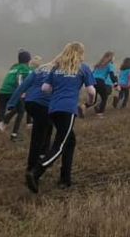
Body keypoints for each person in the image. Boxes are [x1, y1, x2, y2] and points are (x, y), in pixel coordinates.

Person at [25, 42, 96, 193]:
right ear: (80, 53)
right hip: (68, 109)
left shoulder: (56, 67)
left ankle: (65, 179)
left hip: (53, 109)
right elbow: (91, 91)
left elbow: (45, 88)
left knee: (70, 141)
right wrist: (89, 103)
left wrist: (58, 91)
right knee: (60, 144)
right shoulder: (83, 68)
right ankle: (36, 172)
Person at [6, 60, 53, 172]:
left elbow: (22, 86)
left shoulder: (37, 71)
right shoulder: (56, 71)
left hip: (30, 103)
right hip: (43, 104)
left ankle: (43, 155)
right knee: (39, 134)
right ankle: (32, 166)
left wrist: (11, 103)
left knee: (47, 126)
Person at [0, 50, 32, 147]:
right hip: (12, 93)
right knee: (21, 111)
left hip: (2, 92)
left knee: (1, 115)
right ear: (29, 60)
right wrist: (22, 92)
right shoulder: (26, 69)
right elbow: (20, 80)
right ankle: (14, 135)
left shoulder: (13, 67)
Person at [92, 51, 118, 118]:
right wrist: (115, 84)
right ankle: (100, 114)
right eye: (114, 57)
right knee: (104, 98)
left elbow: (92, 73)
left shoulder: (99, 64)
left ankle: (83, 106)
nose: (114, 58)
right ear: (111, 58)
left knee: (93, 99)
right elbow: (112, 75)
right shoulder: (110, 65)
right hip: (101, 81)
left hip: (93, 81)